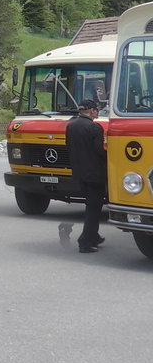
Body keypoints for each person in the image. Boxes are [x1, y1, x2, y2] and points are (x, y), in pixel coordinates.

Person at [66, 98, 106, 253]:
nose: (97, 113)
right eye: (97, 110)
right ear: (92, 111)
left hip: (78, 173)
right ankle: (86, 242)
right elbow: (99, 151)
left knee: (90, 206)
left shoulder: (71, 126)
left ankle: (94, 236)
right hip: (94, 174)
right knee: (94, 208)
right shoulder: (95, 128)